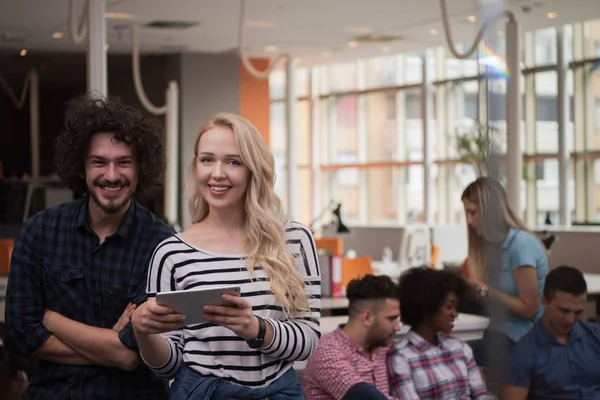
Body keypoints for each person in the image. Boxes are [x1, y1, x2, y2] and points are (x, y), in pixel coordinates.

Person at [131, 112, 321, 399]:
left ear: (252, 169)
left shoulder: (294, 239)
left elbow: (309, 342)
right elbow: (168, 367)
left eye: (233, 161)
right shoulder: (171, 252)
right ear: (196, 166)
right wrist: (142, 332)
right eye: (207, 159)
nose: (217, 173)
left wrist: (254, 328)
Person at [4, 95, 175, 399]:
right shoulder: (40, 232)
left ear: (140, 169)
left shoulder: (161, 243)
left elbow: (132, 354)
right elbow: (20, 335)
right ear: (81, 169)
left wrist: (50, 319)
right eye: (99, 162)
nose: (111, 175)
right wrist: (112, 345)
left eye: (124, 162)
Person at [461, 177, 548, 370]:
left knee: (454, 355)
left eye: (473, 213)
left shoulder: (521, 245)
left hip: (524, 339)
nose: (469, 221)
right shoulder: (496, 247)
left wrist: (486, 291)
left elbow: (529, 309)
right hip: (500, 334)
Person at [388, 267, 492, 400]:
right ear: (428, 307)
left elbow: (482, 395)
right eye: (449, 306)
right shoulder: (400, 357)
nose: (454, 314)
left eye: (456, 307)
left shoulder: (460, 348)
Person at [504, 266, 600, 399]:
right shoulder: (523, 353)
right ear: (544, 302)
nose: (570, 319)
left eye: (578, 312)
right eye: (564, 311)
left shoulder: (595, 335)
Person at [302, 274, 401, 400]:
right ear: (367, 317)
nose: (397, 327)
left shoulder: (380, 347)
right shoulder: (327, 352)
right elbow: (366, 397)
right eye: (391, 319)